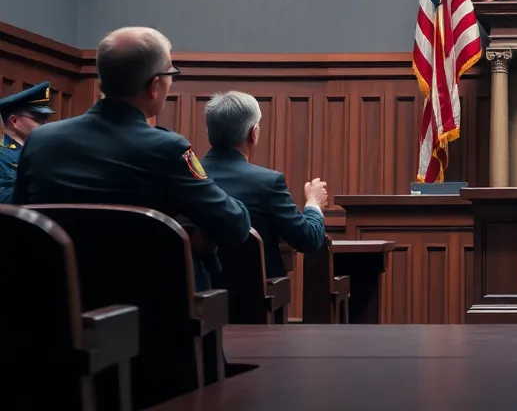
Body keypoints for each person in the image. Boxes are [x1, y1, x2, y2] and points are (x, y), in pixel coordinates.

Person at [13, 27, 250, 285]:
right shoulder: (168, 149)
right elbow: (234, 227)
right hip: (145, 312)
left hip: (54, 302)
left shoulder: (40, 140)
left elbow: (21, 222)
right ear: (154, 85)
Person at [201, 91, 327, 276]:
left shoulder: (187, 175)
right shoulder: (268, 182)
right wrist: (313, 203)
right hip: (254, 297)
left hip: (198, 292)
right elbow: (308, 240)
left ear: (209, 132)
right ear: (254, 133)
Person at [0, 82, 56, 204]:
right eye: (38, 119)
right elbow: (5, 198)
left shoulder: (40, 151)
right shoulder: (2, 155)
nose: (45, 124)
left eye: (46, 119)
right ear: (14, 121)